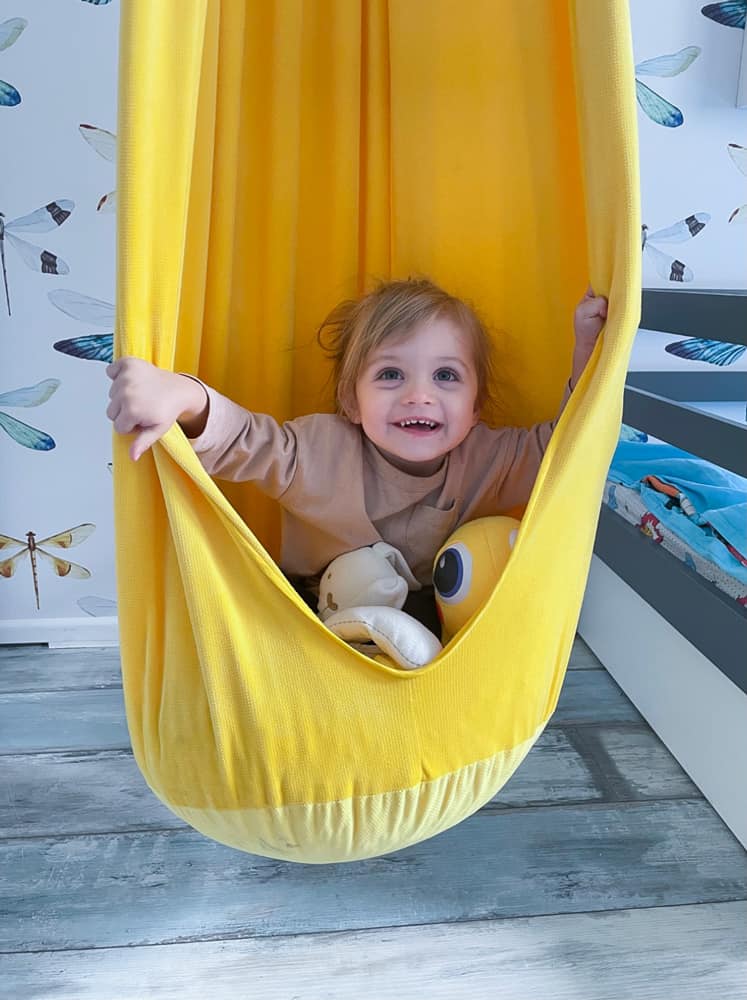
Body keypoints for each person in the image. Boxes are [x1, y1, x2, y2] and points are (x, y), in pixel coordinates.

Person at [106, 278, 607, 629]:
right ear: (351, 401)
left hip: (427, 617)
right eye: (390, 374)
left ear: (475, 407)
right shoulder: (321, 451)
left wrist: (587, 352)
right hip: (312, 610)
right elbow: (245, 440)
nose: (419, 395)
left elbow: (564, 448)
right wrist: (183, 395)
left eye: (446, 376)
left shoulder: (488, 460)